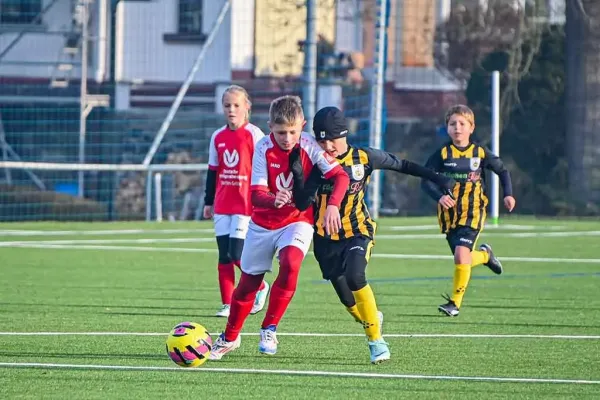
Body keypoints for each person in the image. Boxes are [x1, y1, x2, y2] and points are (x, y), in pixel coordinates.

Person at [289, 106, 456, 364]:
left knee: (356, 276)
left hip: (358, 231)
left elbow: (403, 165)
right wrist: (299, 175)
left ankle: (376, 342)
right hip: (325, 240)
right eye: (321, 140)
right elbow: (301, 204)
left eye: (331, 138)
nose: (327, 145)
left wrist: (439, 179)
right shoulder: (317, 163)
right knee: (349, 301)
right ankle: (370, 318)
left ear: (344, 134)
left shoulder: (364, 157)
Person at [209, 96, 350, 360]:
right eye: (281, 132)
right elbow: (256, 194)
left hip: (297, 221)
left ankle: (270, 327)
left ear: (302, 126)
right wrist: (273, 199)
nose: (287, 138)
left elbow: (340, 176)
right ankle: (229, 338)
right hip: (262, 224)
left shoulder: (309, 144)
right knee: (248, 285)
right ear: (270, 126)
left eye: (293, 131)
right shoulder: (262, 148)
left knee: (291, 262)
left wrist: (332, 205)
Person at [421, 104, 516, 317]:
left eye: (462, 124)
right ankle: (485, 256)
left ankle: (454, 304)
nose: (457, 128)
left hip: (473, 212)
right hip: (449, 216)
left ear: (471, 128)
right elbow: (426, 182)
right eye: (452, 123)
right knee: (462, 257)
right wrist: (441, 196)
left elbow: (502, 171)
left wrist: (508, 194)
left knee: (461, 256)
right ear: (447, 128)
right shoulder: (442, 154)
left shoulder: (480, 153)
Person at [203, 85, 270, 318]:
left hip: (245, 204)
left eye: (236, 105)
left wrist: (264, 197)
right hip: (223, 203)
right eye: (227, 105)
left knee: (237, 255)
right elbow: (213, 171)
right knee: (223, 256)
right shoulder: (217, 136)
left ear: (246, 107)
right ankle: (227, 304)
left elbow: (265, 168)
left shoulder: (254, 134)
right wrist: (208, 201)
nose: (231, 110)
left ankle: (261, 287)